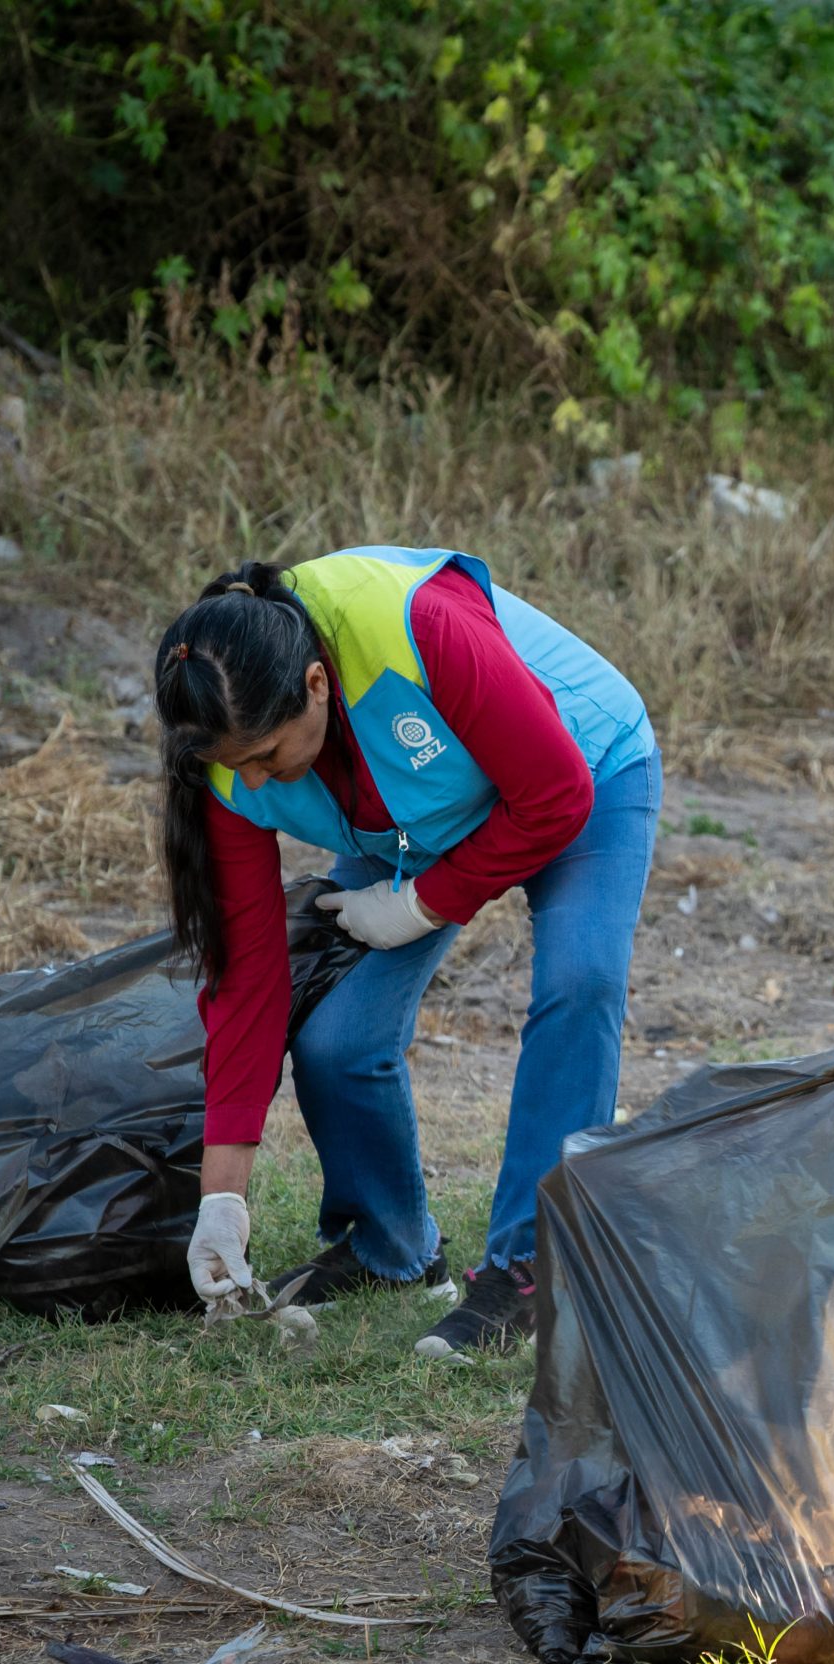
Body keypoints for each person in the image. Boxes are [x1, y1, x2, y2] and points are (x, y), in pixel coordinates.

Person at [156, 548, 659, 1361]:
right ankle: (391, 1249)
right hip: (419, 814)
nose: (251, 784)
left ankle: (531, 1267)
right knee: (338, 1041)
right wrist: (223, 1198)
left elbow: (554, 794)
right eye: (231, 765)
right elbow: (248, 976)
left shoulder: (414, 629)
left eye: (266, 757)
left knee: (581, 982)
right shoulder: (225, 761)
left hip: (581, 768)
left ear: (317, 686)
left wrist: (423, 902)